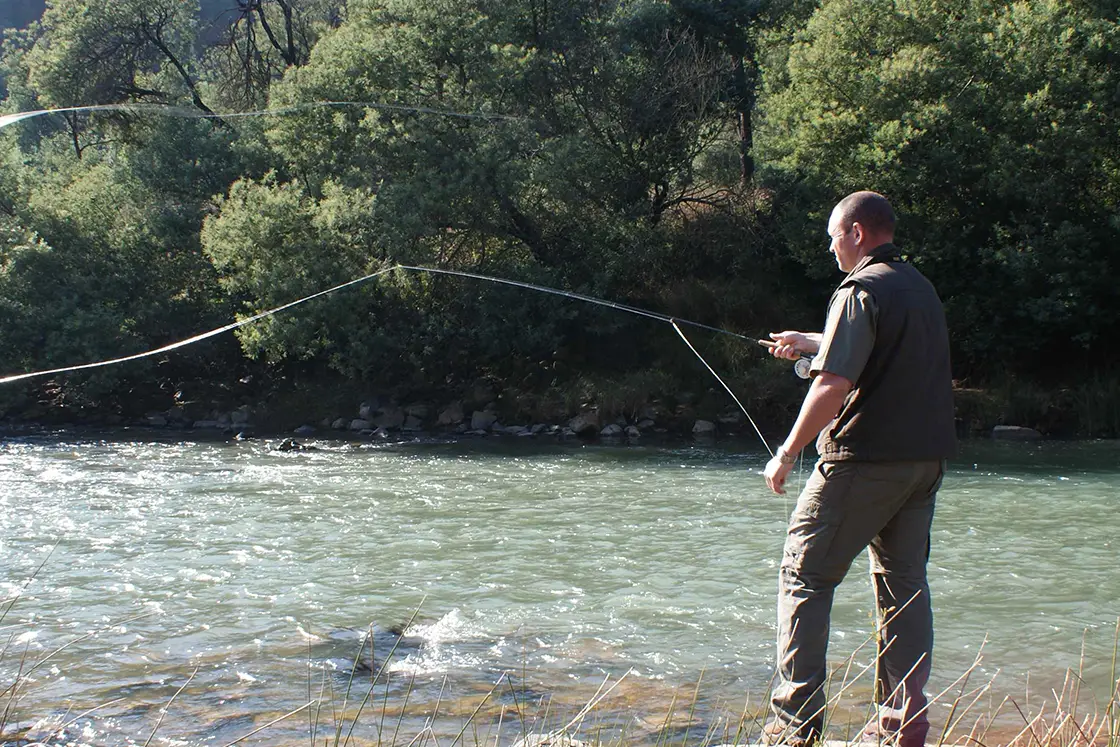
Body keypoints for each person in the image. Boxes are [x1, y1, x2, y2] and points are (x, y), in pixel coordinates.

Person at [761, 191, 956, 747]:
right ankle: (902, 727)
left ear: (856, 233)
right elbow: (873, 351)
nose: (830, 248)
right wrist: (813, 341)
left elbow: (832, 383)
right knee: (905, 587)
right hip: (924, 463)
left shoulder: (859, 289)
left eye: (832, 237)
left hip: (863, 460)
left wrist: (788, 451)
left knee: (803, 576)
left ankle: (793, 728)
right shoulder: (918, 287)